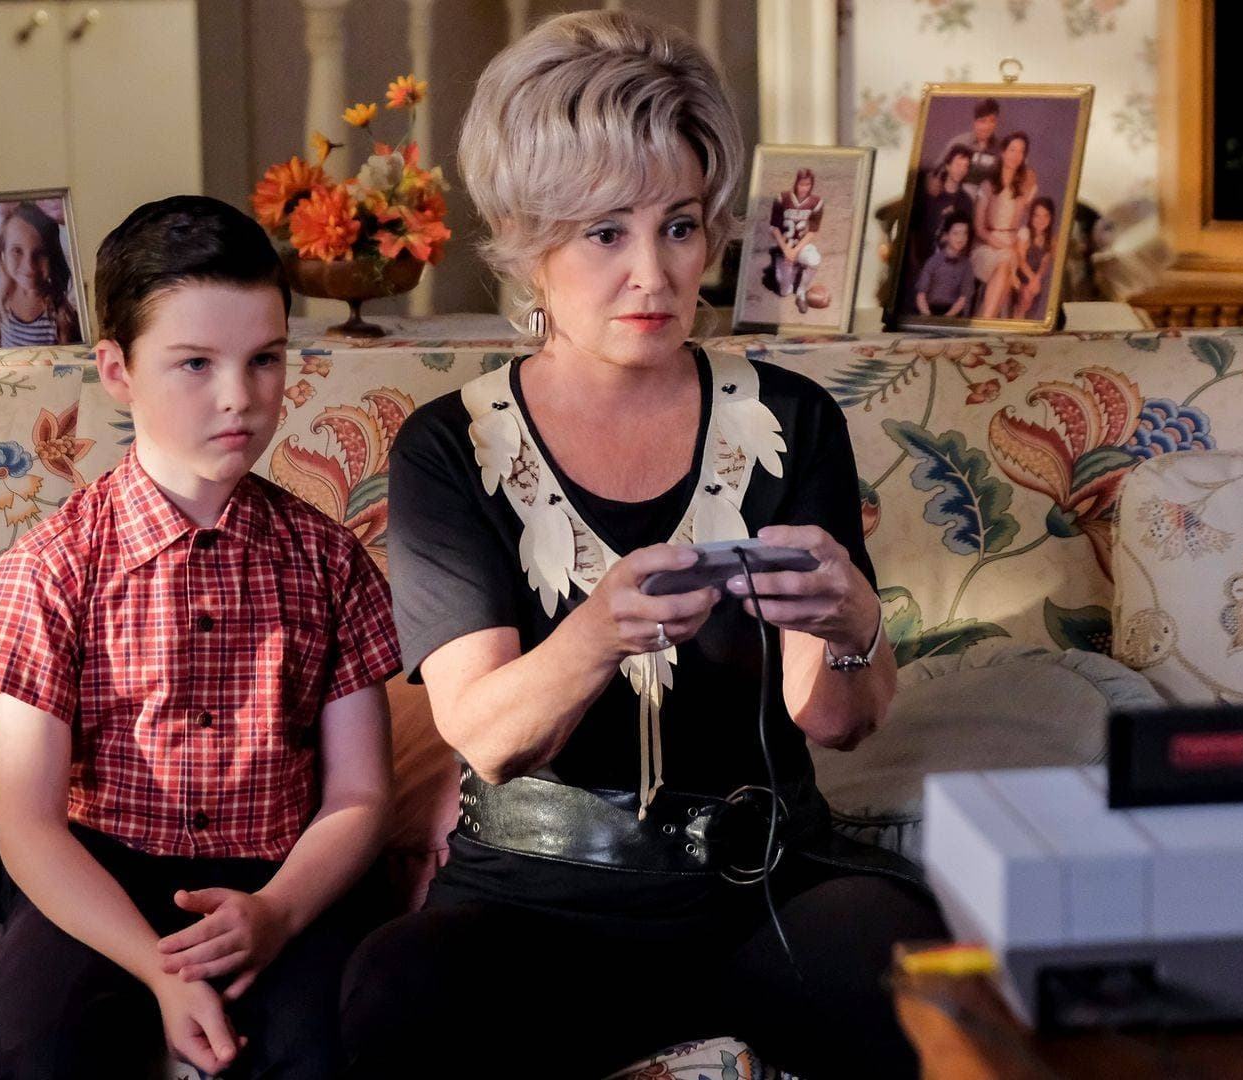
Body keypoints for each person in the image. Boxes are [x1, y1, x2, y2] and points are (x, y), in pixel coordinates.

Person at [341, 12, 943, 1080]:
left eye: (679, 226)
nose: (654, 276)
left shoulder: (793, 419)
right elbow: (487, 737)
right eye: (605, 233)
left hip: (763, 890)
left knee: (903, 970)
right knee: (399, 987)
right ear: (527, 243)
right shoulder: (451, 447)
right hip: (535, 904)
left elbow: (837, 722)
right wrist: (595, 634)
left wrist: (857, 628)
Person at [0, 195, 400, 1079]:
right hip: (98, 879)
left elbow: (359, 795)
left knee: (329, 1045)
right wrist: (158, 970)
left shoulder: (330, 561)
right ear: (117, 370)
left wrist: (278, 911)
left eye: (264, 359)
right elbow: (28, 824)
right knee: (52, 1049)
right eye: (195, 363)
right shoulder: (51, 567)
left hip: (282, 876)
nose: (240, 397)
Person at [0, 200, 83, 347]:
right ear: (3, 253)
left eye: (40, 253)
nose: (29, 266)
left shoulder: (59, 313)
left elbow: (66, 357)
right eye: (17, 251)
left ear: (53, 257)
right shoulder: (1, 301)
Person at [970, 131, 1038, 318]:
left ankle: (984, 321)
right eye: (1012, 149)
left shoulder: (1023, 186)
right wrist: (1004, 246)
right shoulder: (988, 185)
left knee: (1006, 265)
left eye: (1021, 151)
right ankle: (986, 322)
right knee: (1005, 266)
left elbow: (1030, 218)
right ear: (1003, 152)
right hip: (986, 247)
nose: (1016, 155)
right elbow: (979, 229)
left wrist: (1012, 247)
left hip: (1011, 247)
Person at [909, 143, 977, 271]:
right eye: (958, 165)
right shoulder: (931, 193)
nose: (961, 170)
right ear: (948, 165)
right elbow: (916, 228)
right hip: (922, 258)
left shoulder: (966, 201)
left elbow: (966, 239)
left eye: (965, 166)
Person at [767, 167, 824, 314]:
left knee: (815, 260)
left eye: (808, 184)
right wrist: (786, 250)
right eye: (801, 184)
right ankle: (786, 265)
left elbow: (812, 231)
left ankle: (801, 292)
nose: (804, 188)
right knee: (785, 291)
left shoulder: (816, 202)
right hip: (783, 246)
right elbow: (774, 228)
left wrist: (794, 252)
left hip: (801, 245)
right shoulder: (783, 198)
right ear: (796, 183)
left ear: (812, 185)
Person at [913, 211, 975, 318]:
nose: (961, 238)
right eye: (956, 233)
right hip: (929, 310)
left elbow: (963, 298)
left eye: (965, 233)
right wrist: (927, 316)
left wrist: (947, 317)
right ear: (946, 236)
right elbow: (921, 294)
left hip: (953, 312)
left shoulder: (967, 265)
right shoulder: (933, 262)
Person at [1011, 195, 1059, 321]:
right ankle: (1018, 316)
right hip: (1019, 277)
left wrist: (1037, 278)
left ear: (1051, 218)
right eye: (1037, 215)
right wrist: (1033, 279)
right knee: (1027, 293)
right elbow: (1021, 261)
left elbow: (1045, 262)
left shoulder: (1052, 240)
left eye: (1045, 216)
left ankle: (1023, 318)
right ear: (1031, 216)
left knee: (1032, 292)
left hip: (1035, 281)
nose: (1041, 220)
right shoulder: (1025, 232)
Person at [943, 97, 1003, 195]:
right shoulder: (958, 142)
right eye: (982, 121)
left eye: (992, 121)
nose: (987, 126)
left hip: (987, 201)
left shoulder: (1002, 149)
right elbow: (937, 173)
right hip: (957, 199)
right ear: (974, 122)